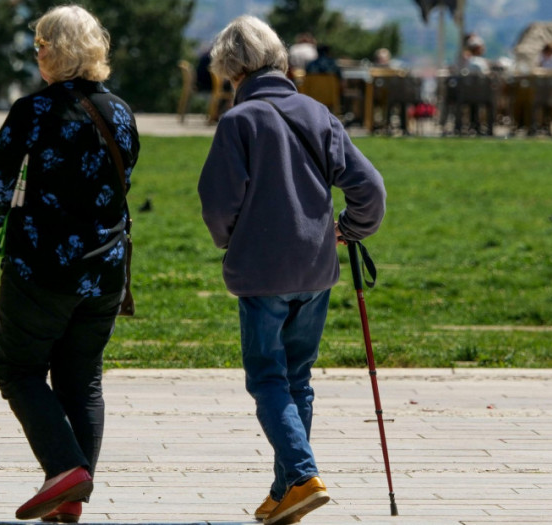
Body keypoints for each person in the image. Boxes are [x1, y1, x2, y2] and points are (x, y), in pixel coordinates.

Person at [197, 15, 385, 525]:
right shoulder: (319, 114)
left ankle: (302, 475)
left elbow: (217, 202)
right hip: (316, 270)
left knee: (267, 378)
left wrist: (230, 240)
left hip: (262, 272)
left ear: (231, 69)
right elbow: (371, 188)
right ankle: (286, 493)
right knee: (297, 379)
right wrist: (350, 228)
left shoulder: (239, 122)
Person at [0, 5, 139, 522]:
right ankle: (70, 498)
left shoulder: (34, 109)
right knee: (82, 379)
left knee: (18, 371)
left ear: (59, 50)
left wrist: (0, 213)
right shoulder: (120, 111)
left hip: (42, 270)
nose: (37, 52)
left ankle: (66, 468)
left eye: (42, 44)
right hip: (107, 270)